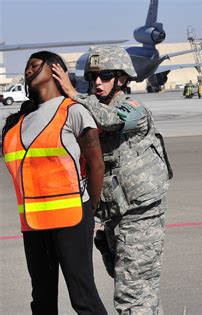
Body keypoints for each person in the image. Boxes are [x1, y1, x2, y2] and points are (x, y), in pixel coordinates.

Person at [52, 45, 171, 314]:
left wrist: (72, 93)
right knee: (140, 290)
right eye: (92, 77)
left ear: (122, 79)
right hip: (116, 216)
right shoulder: (90, 109)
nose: (96, 83)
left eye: (105, 76)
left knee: (132, 294)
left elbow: (108, 120)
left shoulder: (133, 108)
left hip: (141, 216)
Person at [2, 51, 107, 314]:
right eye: (27, 66)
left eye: (35, 65)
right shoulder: (16, 122)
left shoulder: (72, 111)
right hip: (33, 223)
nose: (28, 69)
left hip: (71, 218)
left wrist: (89, 211)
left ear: (55, 69)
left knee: (82, 298)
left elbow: (96, 164)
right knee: (42, 300)